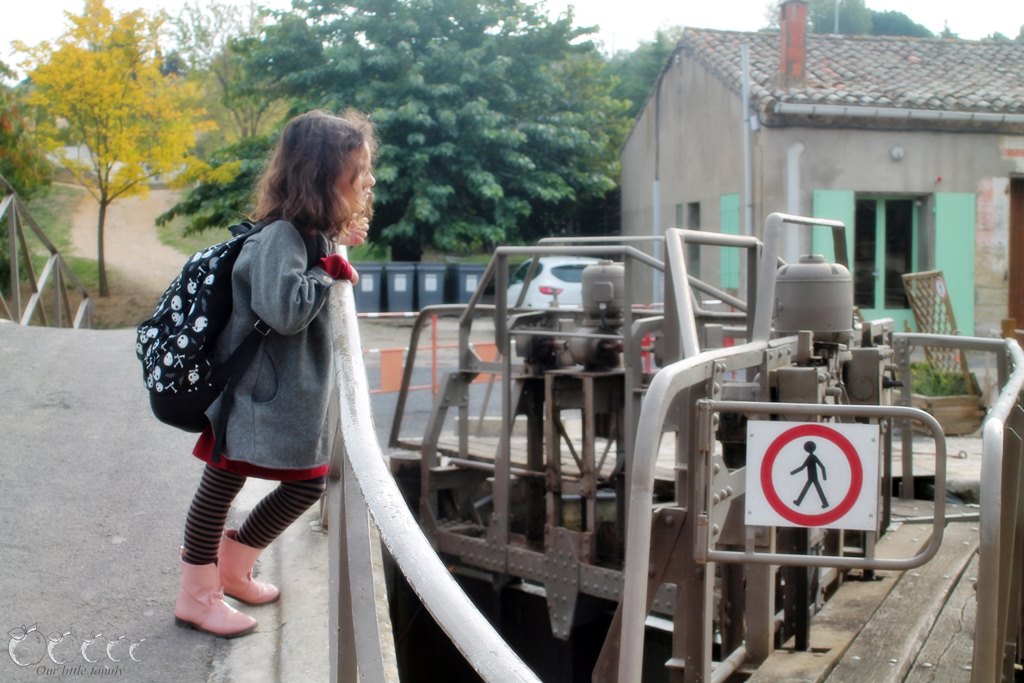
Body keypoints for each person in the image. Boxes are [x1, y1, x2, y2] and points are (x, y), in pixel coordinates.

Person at [173, 109, 377, 637]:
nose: (367, 181)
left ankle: (233, 567)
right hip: (252, 394)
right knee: (221, 488)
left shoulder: (306, 235)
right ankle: (197, 595)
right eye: (357, 171)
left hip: (280, 396)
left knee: (305, 483)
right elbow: (284, 310)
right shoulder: (280, 237)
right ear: (322, 175)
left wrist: (332, 251)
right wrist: (329, 270)